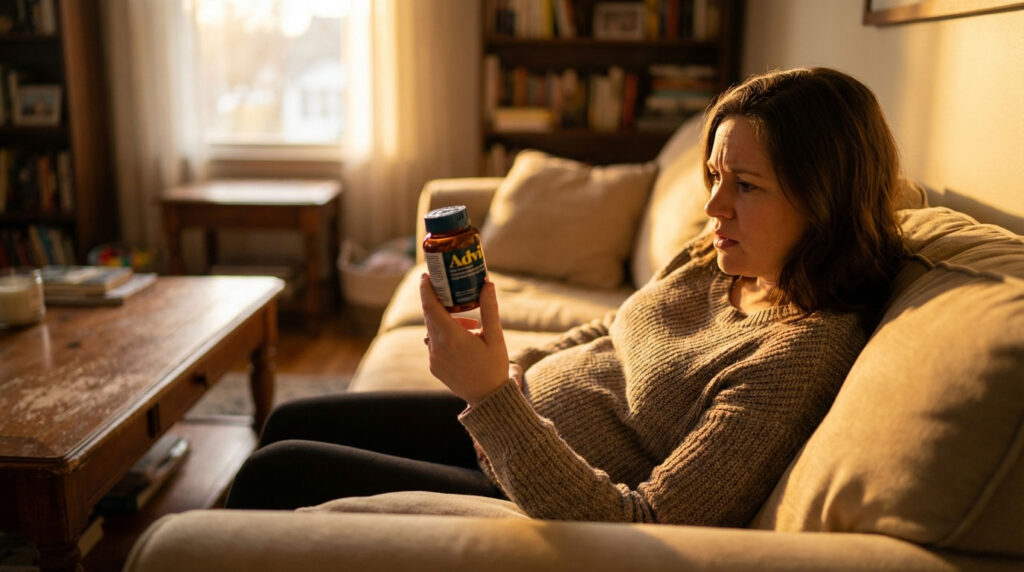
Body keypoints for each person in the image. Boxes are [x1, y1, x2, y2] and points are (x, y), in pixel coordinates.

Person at [225, 67, 906, 526]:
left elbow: (644, 523)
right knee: (293, 418)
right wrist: (516, 370)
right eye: (713, 176)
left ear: (824, 196)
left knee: (278, 473)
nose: (714, 205)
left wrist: (494, 401)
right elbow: (616, 328)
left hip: (523, 483)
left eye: (746, 185)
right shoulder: (722, 259)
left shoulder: (797, 357)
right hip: (504, 421)